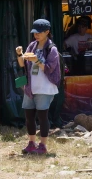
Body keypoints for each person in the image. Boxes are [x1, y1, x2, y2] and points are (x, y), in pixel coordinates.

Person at [15, 19, 61, 155]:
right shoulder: (32, 45)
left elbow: (50, 68)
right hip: (30, 87)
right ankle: (31, 143)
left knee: (42, 116)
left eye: (39, 33)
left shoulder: (52, 49)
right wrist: (19, 54)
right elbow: (22, 64)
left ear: (47, 32)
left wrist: (37, 60)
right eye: (34, 33)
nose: (36, 35)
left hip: (44, 88)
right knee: (29, 116)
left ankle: (43, 145)